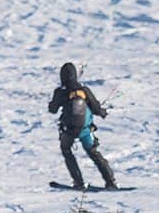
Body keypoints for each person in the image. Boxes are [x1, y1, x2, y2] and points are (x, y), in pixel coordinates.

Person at [48, 62, 117, 191]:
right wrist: (103, 112)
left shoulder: (60, 92)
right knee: (93, 153)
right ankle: (110, 181)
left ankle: (78, 182)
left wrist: (54, 102)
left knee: (67, 151)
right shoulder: (84, 91)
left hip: (68, 131)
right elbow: (96, 109)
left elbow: (52, 110)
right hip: (85, 130)